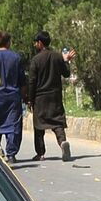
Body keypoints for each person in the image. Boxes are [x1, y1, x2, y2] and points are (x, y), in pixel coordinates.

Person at [25, 30, 72, 161]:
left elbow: (32, 81)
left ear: (40, 43)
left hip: (40, 98)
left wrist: (30, 99)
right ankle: (63, 142)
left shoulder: (36, 60)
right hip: (55, 96)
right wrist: (66, 61)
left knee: (39, 125)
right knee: (57, 123)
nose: (35, 45)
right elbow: (66, 74)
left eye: (36, 42)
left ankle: (40, 153)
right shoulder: (57, 57)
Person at [0, 30, 28, 163]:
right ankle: (11, 153)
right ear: (8, 42)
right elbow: (22, 80)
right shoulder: (16, 58)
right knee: (14, 125)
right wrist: (24, 96)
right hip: (13, 95)